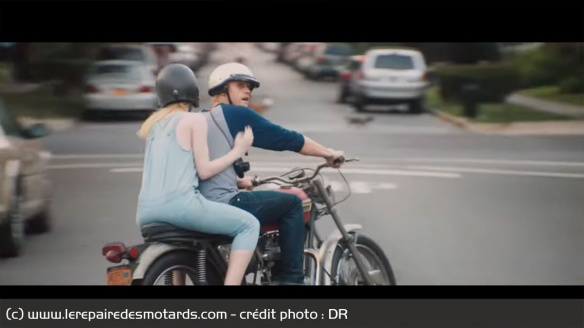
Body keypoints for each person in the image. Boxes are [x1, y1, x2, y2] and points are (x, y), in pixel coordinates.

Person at [198, 62, 345, 285]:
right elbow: (286, 138)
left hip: (199, 204)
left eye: (250, 87)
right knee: (292, 204)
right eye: (240, 85)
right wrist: (328, 153)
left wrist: (239, 180)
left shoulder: (201, 118)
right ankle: (291, 279)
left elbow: (208, 165)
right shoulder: (235, 114)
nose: (248, 91)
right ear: (222, 89)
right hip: (224, 202)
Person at [135, 63, 260, 286]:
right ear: (193, 92)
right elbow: (205, 170)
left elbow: (178, 168)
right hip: (181, 207)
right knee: (249, 225)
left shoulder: (153, 126)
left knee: (184, 244)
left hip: (146, 213)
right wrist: (238, 151)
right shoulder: (194, 120)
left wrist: (238, 181)